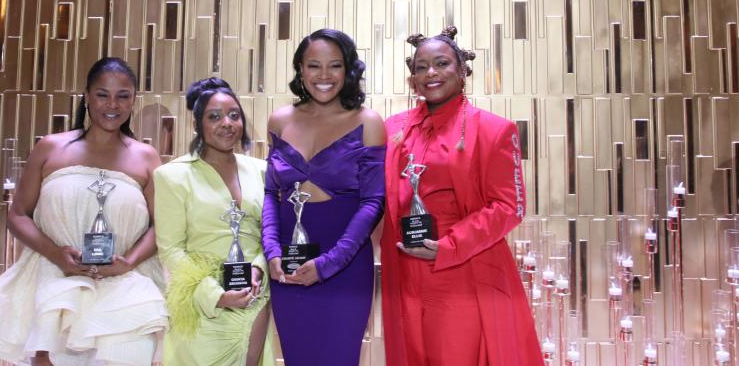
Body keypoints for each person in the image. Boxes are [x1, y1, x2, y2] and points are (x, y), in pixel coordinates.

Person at [0, 57, 168, 365]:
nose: (112, 104)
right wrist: (57, 254)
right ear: (86, 96)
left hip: (126, 289)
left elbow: (162, 225)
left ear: (133, 100)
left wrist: (128, 262)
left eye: (122, 96)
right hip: (55, 282)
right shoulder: (51, 147)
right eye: (102, 94)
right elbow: (17, 215)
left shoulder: (146, 157)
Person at [380, 27, 543, 366]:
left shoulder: (494, 129)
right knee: (410, 355)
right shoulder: (392, 129)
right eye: (421, 67)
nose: (431, 73)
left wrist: (448, 246)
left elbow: (508, 207)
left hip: (463, 269)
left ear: (462, 70)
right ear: (412, 79)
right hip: (405, 271)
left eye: (441, 63)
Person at [262, 28, 385, 365]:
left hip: (344, 268)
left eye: (335, 65)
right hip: (289, 266)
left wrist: (330, 263)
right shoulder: (279, 120)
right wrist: (271, 250)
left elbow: (374, 202)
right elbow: (272, 193)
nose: (324, 76)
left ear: (348, 70)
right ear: (300, 69)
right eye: (314, 65)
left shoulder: (368, 122)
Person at [153, 77, 273, 366]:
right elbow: (171, 250)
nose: (227, 123)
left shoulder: (262, 171)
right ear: (197, 124)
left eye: (234, 115)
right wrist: (216, 295)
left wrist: (258, 268)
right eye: (214, 116)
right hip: (203, 305)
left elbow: (270, 232)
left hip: (253, 297)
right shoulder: (172, 176)